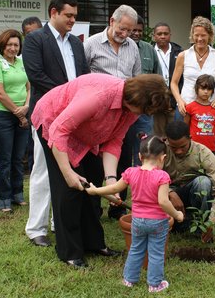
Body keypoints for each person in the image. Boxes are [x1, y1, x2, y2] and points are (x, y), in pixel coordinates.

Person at [31, 73, 170, 268]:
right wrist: (68, 172)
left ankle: (93, 243)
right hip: (53, 121)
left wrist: (111, 182)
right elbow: (59, 130)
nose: (144, 114)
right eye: (145, 109)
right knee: (69, 188)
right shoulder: (98, 96)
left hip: (83, 131)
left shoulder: (131, 110)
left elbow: (114, 141)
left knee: (94, 177)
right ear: (137, 98)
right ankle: (69, 251)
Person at [23, 0, 89, 247]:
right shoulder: (35, 39)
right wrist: (68, 98)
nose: (73, 20)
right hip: (47, 115)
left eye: (75, 16)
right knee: (42, 169)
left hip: (74, 114)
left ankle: (57, 221)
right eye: (69, 15)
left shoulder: (75, 43)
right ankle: (36, 228)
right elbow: (36, 75)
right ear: (54, 12)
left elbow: (83, 76)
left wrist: (79, 101)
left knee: (68, 169)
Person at [85, 135, 183, 293]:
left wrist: (95, 190)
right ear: (163, 158)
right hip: (157, 222)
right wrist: (177, 215)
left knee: (136, 249)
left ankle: (129, 279)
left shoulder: (131, 172)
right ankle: (155, 284)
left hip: (137, 221)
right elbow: (163, 202)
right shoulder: (162, 176)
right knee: (156, 252)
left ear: (139, 156)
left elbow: (114, 189)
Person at [84, 4, 141, 220]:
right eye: (122, 29)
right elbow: (82, 76)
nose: (125, 34)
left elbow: (135, 78)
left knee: (124, 158)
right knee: (96, 162)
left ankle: (118, 207)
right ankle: (94, 206)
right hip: (98, 115)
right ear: (111, 21)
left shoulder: (132, 47)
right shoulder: (91, 44)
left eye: (130, 31)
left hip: (124, 114)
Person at [0, 29, 30, 212]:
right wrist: (19, 113)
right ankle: (3, 198)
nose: (13, 48)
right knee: (4, 158)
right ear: (2, 46)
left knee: (18, 158)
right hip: (3, 115)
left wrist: (27, 106)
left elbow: (30, 87)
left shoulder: (22, 62)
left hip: (23, 113)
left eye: (16, 45)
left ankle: (17, 194)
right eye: (9, 45)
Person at [163, 121, 215, 243]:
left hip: (192, 193)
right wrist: (170, 192)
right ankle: (176, 223)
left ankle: (200, 226)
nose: (178, 151)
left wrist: (212, 221)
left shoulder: (203, 153)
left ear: (190, 139)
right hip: (166, 197)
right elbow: (148, 179)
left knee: (203, 182)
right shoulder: (160, 151)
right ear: (167, 141)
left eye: (182, 147)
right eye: (173, 147)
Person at [171, 16, 215, 120]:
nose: (200, 39)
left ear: (210, 35)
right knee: (181, 136)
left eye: (203, 35)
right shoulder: (183, 55)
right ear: (192, 35)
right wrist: (179, 100)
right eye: (196, 35)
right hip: (185, 107)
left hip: (208, 107)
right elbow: (174, 83)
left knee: (205, 136)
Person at [129, 15, 162, 166]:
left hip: (144, 111)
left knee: (144, 145)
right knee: (121, 147)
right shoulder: (123, 48)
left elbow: (158, 77)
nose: (136, 33)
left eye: (139, 30)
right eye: (133, 30)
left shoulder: (149, 49)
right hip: (125, 107)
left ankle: (141, 178)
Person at [153, 22, 183, 137]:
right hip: (157, 104)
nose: (162, 36)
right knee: (159, 136)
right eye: (159, 34)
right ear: (154, 35)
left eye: (165, 33)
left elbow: (182, 79)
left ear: (170, 35)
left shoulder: (179, 52)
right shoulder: (150, 51)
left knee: (175, 134)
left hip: (174, 101)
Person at [21, 16, 43, 173]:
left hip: (47, 108)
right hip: (27, 111)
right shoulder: (19, 58)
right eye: (29, 34)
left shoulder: (48, 53)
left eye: (36, 32)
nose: (33, 37)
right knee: (33, 151)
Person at [184, 74, 215, 159]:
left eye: (209, 89)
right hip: (194, 148)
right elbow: (185, 127)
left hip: (211, 148)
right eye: (203, 88)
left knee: (211, 172)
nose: (206, 92)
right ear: (197, 89)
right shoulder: (190, 107)